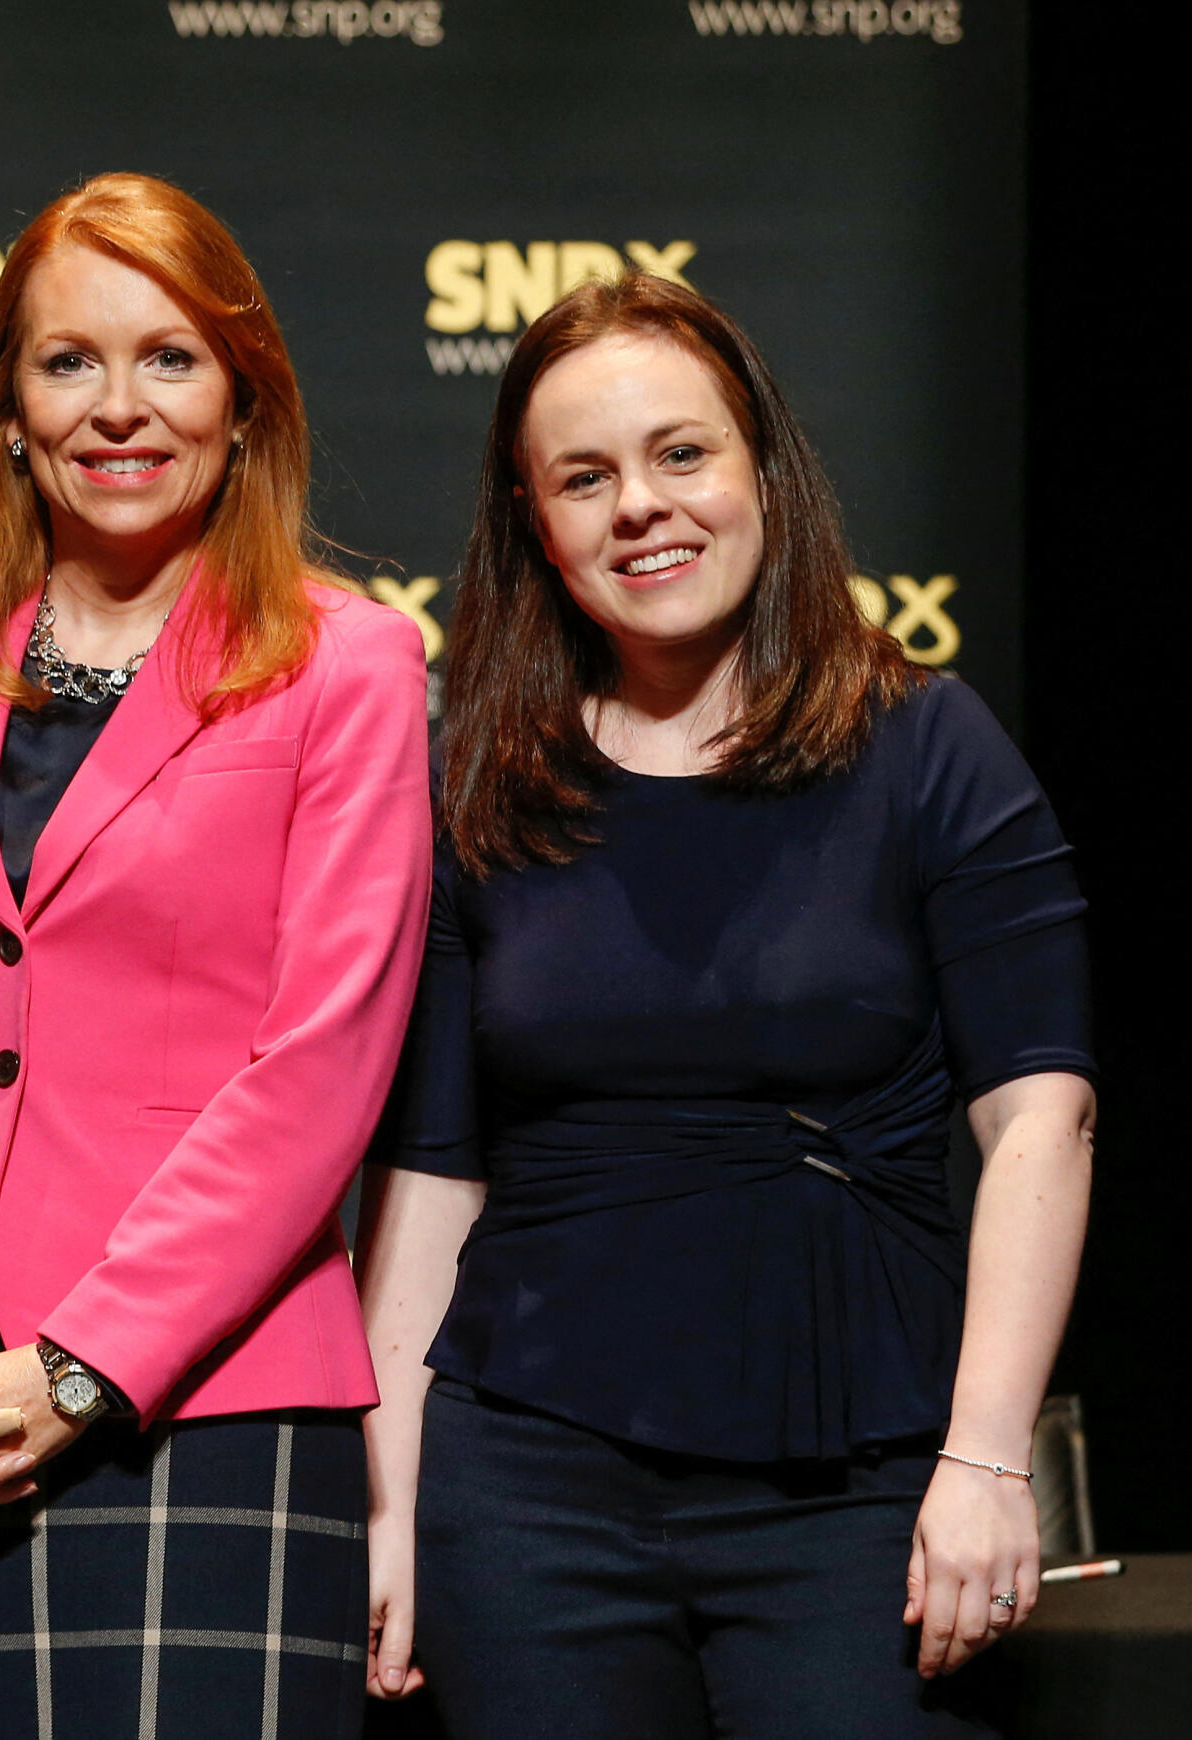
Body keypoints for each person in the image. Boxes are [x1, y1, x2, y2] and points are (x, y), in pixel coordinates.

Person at [354, 271, 1095, 1736]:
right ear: (535, 524)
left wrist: (991, 1456)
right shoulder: (479, 787)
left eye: (680, 454)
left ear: (762, 466)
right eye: (586, 476)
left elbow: (1042, 1124)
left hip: (862, 1489)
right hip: (525, 1497)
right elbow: (432, 1176)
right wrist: (390, 1510)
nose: (642, 506)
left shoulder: (928, 751)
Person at [0, 172, 431, 1736]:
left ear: (245, 402)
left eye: (172, 358)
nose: (120, 407)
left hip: (211, 1407)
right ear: (6, 410)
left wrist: (73, 1370)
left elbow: (320, 1066)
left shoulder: (353, 666)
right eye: (69, 363)